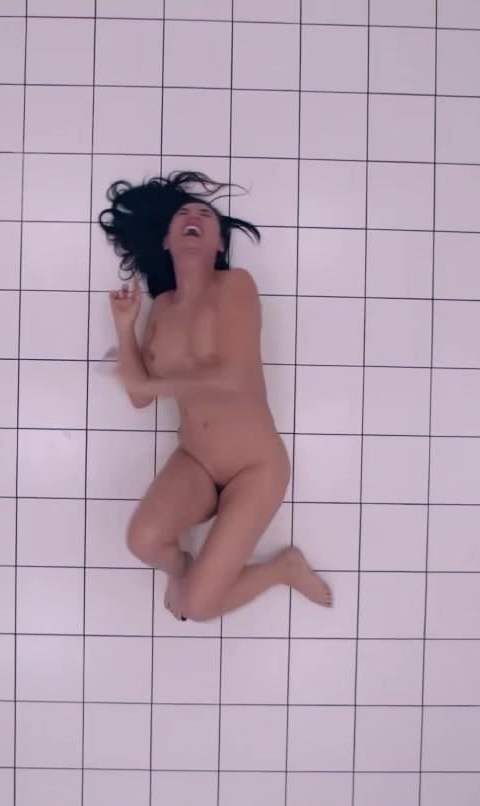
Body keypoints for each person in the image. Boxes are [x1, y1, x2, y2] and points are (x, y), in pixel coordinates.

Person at [99, 171, 333, 622]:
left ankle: (283, 568)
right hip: (197, 462)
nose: (195, 214)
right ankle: (184, 569)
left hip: (254, 467)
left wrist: (149, 385)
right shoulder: (161, 309)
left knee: (198, 608)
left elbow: (235, 378)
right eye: (184, 213)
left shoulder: (236, 287)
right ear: (167, 241)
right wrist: (125, 329)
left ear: (218, 244)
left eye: (206, 214)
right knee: (143, 541)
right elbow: (140, 398)